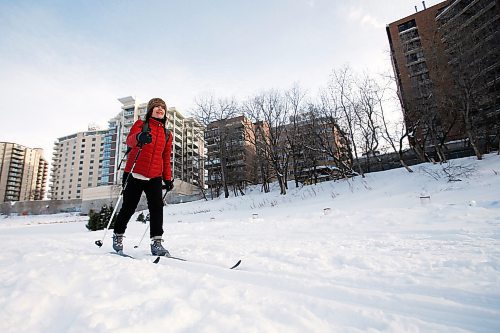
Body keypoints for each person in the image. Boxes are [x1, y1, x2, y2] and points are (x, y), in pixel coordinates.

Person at [112, 97, 174, 256]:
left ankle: (157, 243)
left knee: (157, 208)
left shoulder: (167, 134)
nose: (160, 109)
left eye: (163, 107)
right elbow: (130, 140)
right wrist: (139, 137)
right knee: (129, 206)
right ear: (150, 110)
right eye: (156, 106)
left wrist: (167, 178)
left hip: (154, 176)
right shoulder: (140, 125)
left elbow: (165, 158)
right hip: (134, 172)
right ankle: (118, 235)